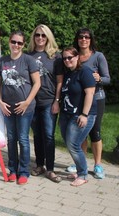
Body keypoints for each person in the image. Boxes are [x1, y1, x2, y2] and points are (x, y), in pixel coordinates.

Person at [0, 30, 40, 185]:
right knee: (11, 139)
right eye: (14, 41)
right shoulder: (2, 61)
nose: (16, 45)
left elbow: (37, 83)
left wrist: (27, 102)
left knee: (23, 139)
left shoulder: (28, 60)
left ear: (23, 45)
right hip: (7, 107)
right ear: (9, 42)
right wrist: (0, 102)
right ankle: (12, 170)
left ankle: (24, 172)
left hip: (25, 108)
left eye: (20, 43)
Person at [66, 28, 110, 179]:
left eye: (86, 37)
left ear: (91, 39)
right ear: (77, 39)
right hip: (79, 100)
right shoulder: (74, 56)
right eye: (80, 37)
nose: (83, 39)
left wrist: (99, 78)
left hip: (96, 98)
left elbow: (108, 79)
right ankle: (80, 161)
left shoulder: (98, 56)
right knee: (81, 132)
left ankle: (97, 165)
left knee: (95, 132)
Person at [27, 24, 63, 183]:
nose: (40, 38)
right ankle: (39, 164)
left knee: (48, 135)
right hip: (33, 102)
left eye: (43, 35)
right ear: (33, 37)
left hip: (49, 101)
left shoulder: (56, 56)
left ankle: (50, 169)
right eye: (37, 35)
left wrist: (57, 101)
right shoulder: (28, 55)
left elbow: (60, 81)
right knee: (37, 135)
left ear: (48, 37)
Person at [59, 47, 97, 186]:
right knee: (70, 143)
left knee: (73, 144)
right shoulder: (68, 73)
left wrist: (84, 114)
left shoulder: (85, 72)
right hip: (67, 114)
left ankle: (82, 174)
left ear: (77, 57)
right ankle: (80, 170)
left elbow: (90, 94)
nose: (67, 60)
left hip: (81, 115)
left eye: (70, 57)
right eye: (65, 58)